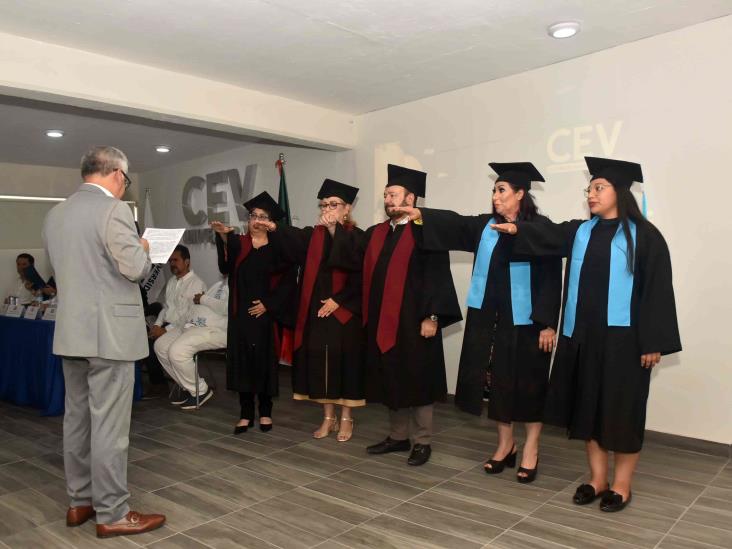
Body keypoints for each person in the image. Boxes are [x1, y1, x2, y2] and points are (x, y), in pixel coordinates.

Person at [492, 156, 681, 511]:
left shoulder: (646, 237)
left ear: (620, 193)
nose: (591, 195)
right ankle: (597, 479)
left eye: (598, 188)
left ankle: (622, 485)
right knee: (588, 410)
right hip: (582, 337)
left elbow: (657, 291)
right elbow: (547, 233)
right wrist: (518, 228)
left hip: (626, 342)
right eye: (589, 189)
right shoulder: (581, 231)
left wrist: (653, 342)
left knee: (622, 413)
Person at [392, 162, 562, 483]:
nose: (495, 197)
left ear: (520, 194)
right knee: (497, 384)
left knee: (529, 386)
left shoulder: (540, 228)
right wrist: (421, 215)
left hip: (528, 322)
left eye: (501, 191)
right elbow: (455, 224)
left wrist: (548, 323)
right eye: (494, 191)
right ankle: (505, 445)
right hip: (492, 319)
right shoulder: (486, 226)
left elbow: (552, 279)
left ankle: (531, 449)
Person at [42, 146, 165, 538]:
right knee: (110, 426)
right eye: (125, 181)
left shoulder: (55, 214)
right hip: (110, 335)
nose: (123, 187)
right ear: (116, 174)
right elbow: (134, 270)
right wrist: (144, 250)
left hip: (72, 332)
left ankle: (79, 501)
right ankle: (112, 512)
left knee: (76, 420)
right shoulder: (114, 211)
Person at [330, 164, 462, 466]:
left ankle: (423, 440)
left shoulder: (427, 231)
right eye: (386, 195)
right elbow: (351, 259)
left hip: (416, 321)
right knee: (391, 378)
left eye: (393, 194)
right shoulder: (377, 233)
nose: (388, 200)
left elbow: (438, 275)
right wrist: (336, 228)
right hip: (383, 322)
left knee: (418, 380)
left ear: (411, 198)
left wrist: (433, 316)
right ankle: (399, 437)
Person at [258, 179, 365, 442]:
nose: (327, 208)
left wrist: (339, 300)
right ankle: (328, 417)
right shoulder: (312, 235)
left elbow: (362, 274)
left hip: (345, 312)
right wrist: (273, 226)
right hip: (316, 311)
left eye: (334, 204)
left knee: (344, 365)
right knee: (320, 365)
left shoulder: (358, 237)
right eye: (324, 204)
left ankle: (347, 419)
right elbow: (290, 240)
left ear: (347, 209)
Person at [212, 191, 297, 434]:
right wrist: (222, 237)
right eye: (253, 215)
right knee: (243, 364)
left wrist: (268, 304)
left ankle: (266, 412)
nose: (256, 220)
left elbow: (288, 282)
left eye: (262, 216)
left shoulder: (278, 249)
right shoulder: (239, 243)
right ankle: (246, 413)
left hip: (265, 316)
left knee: (263, 364)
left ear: (270, 223)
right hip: (241, 316)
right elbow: (225, 267)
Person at [154, 276, 228, 409]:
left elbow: (226, 308)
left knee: (177, 351)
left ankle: (200, 391)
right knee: (160, 346)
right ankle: (187, 387)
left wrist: (203, 299)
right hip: (191, 323)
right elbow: (192, 309)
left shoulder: (240, 285)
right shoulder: (219, 284)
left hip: (214, 329)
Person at [149, 245, 206, 399]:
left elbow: (190, 315)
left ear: (187, 262)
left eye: (175, 260)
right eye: (170, 261)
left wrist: (165, 331)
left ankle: (186, 387)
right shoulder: (172, 282)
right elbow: (166, 307)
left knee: (158, 348)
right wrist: (157, 325)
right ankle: (184, 386)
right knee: (148, 345)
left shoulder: (196, 283)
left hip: (186, 328)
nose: (172, 264)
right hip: (168, 326)